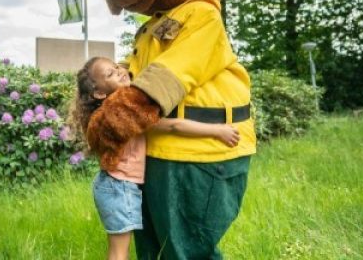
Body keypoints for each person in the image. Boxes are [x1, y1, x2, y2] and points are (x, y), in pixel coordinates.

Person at [69, 56, 240, 260]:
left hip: (114, 186)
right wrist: (216, 130)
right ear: (99, 93)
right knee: (118, 253)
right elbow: (172, 126)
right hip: (119, 187)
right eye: (111, 74)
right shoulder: (121, 112)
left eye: (117, 66)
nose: (121, 71)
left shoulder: (111, 111)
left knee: (119, 249)